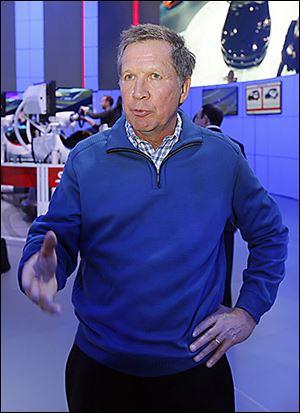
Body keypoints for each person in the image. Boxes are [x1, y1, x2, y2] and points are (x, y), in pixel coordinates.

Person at [18, 23, 288, 412]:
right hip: (100, 370)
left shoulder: (223, 157)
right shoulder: (87, 158)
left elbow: (270, 235)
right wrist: (42, 266)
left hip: (196, 370)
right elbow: (55, 234)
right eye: (129, 76)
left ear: (182, 88)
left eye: (154, 76)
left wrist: (248, 310)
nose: (137, 92)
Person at [193, 103, 246, 308]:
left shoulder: (194, 144)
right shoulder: (236, 145)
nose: (194, 121)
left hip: (198, 221)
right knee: (227, 264)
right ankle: (224, 308)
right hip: (226, 220)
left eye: (197, 117)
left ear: (205, 119)